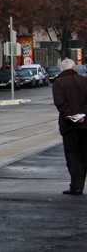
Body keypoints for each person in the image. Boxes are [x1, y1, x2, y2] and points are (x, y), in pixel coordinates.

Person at [51, 58, 87, 195]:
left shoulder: (58, 83)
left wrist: (70, 116)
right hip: (85, 124)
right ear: (74, 68)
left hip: (68, 126)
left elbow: (60, 103)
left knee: (72, 155)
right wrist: (83, 115)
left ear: (62, 69)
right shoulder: (84, 81)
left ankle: (76, 186)